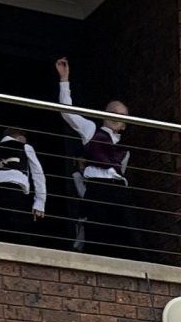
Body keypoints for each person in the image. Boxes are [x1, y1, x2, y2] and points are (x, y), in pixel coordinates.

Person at [55, 56, 137, 258]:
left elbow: (122, 170)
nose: (115, 117)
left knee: (125, 230)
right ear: (104, 114)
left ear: (125, 124)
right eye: (112, 112)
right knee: (97, 230)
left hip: (118, 188)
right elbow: (67, 112)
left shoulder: (125, 150)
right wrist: (64, 80)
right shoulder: (91, 129)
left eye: (121, 116)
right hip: (98, 186)